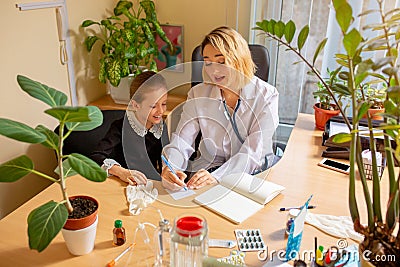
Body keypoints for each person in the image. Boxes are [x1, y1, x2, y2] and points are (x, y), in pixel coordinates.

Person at [161, 26, 279, 190]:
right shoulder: (198, 94)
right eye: (208, 63)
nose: (214, 71)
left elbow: (253, 152)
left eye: (221, 62)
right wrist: (171, 167)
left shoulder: (267, 96)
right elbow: (182, 140)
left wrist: (218, 177)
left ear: (238, 60)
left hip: (252, 174)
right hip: (209, 169)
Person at [90, 71, 169, 185]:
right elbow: (95, 157)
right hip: (124, 183)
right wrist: (122, 172)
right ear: (135, 105)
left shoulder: (160, 127)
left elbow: (165, 157)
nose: (161, 111)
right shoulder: (119, 127)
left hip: (150, 184)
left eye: (164, 103)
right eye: (153, 106)